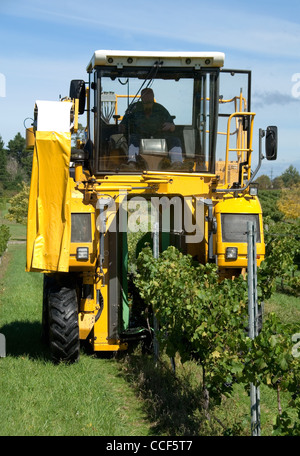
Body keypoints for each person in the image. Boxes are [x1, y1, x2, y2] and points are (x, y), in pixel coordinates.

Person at [119, 88, 184, 169]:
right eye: (145, 97)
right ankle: (132, 164)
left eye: (150, 98)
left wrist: (170, 126)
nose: (148, 100)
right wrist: (122, 126)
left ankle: (177, 164)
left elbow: (173, 127)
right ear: (141, 97)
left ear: (153, 97)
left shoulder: (160, 109)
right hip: (139, 137)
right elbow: (123, 124)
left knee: (175, 140)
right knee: (133, 138)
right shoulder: (134, 108)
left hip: (159, 136)